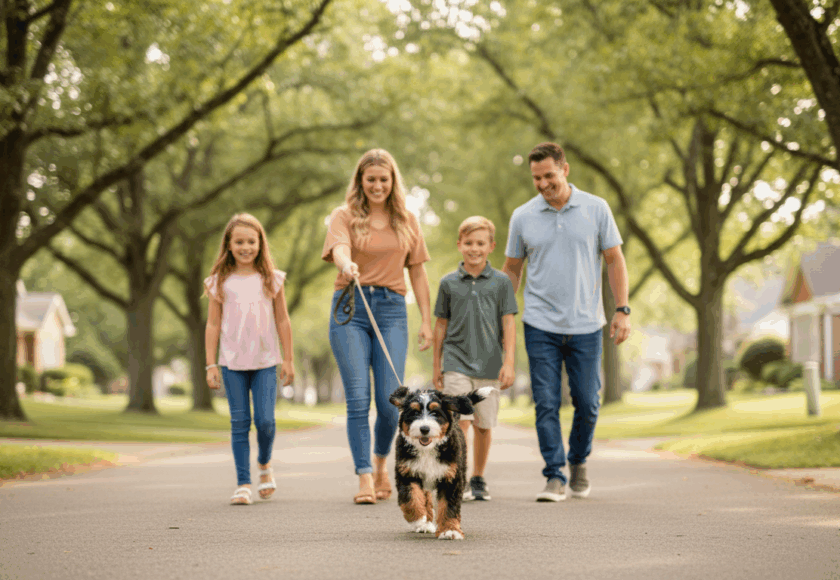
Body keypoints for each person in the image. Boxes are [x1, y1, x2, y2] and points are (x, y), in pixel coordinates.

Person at [502, 142, 631, 502]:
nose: (543, 184)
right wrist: (501, 314)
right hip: (539, 322)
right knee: (545, 402)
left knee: (588, 402)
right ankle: (554, 475)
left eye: (549, 176)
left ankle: (578, 461)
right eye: (536, 178)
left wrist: (621, 309)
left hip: (587, 323)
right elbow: (512, 269)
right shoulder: (522, 216)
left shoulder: (596, 208)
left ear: (565, 169)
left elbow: (615, 260)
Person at [322, 148, 433, 505]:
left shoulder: (407, 220)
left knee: (390, 403)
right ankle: (364, 478)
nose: (377, 185)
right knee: (357, 398)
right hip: (350, 307)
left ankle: (382, 465)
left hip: (392, 310)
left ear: (392, 181)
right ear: (361, 181)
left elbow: (417, 269)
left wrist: (427, 321)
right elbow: (339, 247)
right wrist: (346, 263)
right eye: (371, 179)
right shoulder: (344, 216)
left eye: (383, 179)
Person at [204, 213, 295, 506]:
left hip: (267, 361)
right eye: (239, 241)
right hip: (232, 362)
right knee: (240, 422)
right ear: (229, 245)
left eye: (251, 241)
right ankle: (243, 483)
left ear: (260, 244)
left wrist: (289, 359)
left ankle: (265, 465)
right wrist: (210, 363)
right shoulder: (219, 282)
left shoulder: (271, 279)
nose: (246, 247)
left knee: (266, 421)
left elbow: (282, 320)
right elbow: (213, 325)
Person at [432, 216, 517, 502]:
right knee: (460, 422)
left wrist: (509, 362)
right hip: (455, 361)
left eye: (480, 243)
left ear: (491, 246)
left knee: (483, 425)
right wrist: (437, 365)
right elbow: (440, 325)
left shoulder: (502, 283)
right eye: (468, 243)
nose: (474, 249)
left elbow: (508, 324)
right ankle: (459, 475)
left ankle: (478, 478)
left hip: (490, 363)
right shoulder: (448, 283)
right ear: (459, 245)